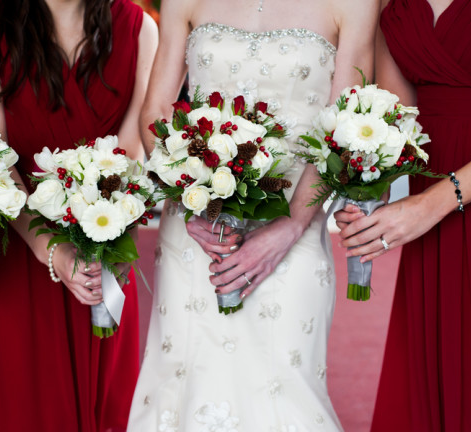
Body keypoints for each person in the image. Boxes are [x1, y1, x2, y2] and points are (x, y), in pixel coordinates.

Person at [127, 0, 378, 430]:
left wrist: (292, 225)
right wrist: (192, 197)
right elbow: (155, 113)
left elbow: (344, 127)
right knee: (184, 391)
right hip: (196, 232)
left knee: (284, 391)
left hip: (295, 226)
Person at [0, 0, 157, 430]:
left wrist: (100, 238)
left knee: (107, 409)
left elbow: (129, 153)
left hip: (102, 255)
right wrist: (53, 251)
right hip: (19, 257)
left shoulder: (139, 29)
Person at [334, 0, 471, 430]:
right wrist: (366, 194)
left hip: (449, 199)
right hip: (434, 214)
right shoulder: (392, 4)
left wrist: (431, 204)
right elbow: (400, 119)